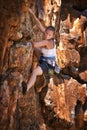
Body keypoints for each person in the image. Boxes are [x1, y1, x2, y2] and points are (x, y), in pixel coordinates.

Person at [22, 8, 60, 94]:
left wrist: (26, 40)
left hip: (49, 66)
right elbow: (39, 24)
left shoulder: (48, 42)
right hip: (44, 58)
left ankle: (26, 88)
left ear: (52, 36)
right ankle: (39, 69)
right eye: (46, 33)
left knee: (35, 72)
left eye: (49, 35)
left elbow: (35, 44)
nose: (47, 35)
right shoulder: (47, 35)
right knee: (36, 50)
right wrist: (32, 13)